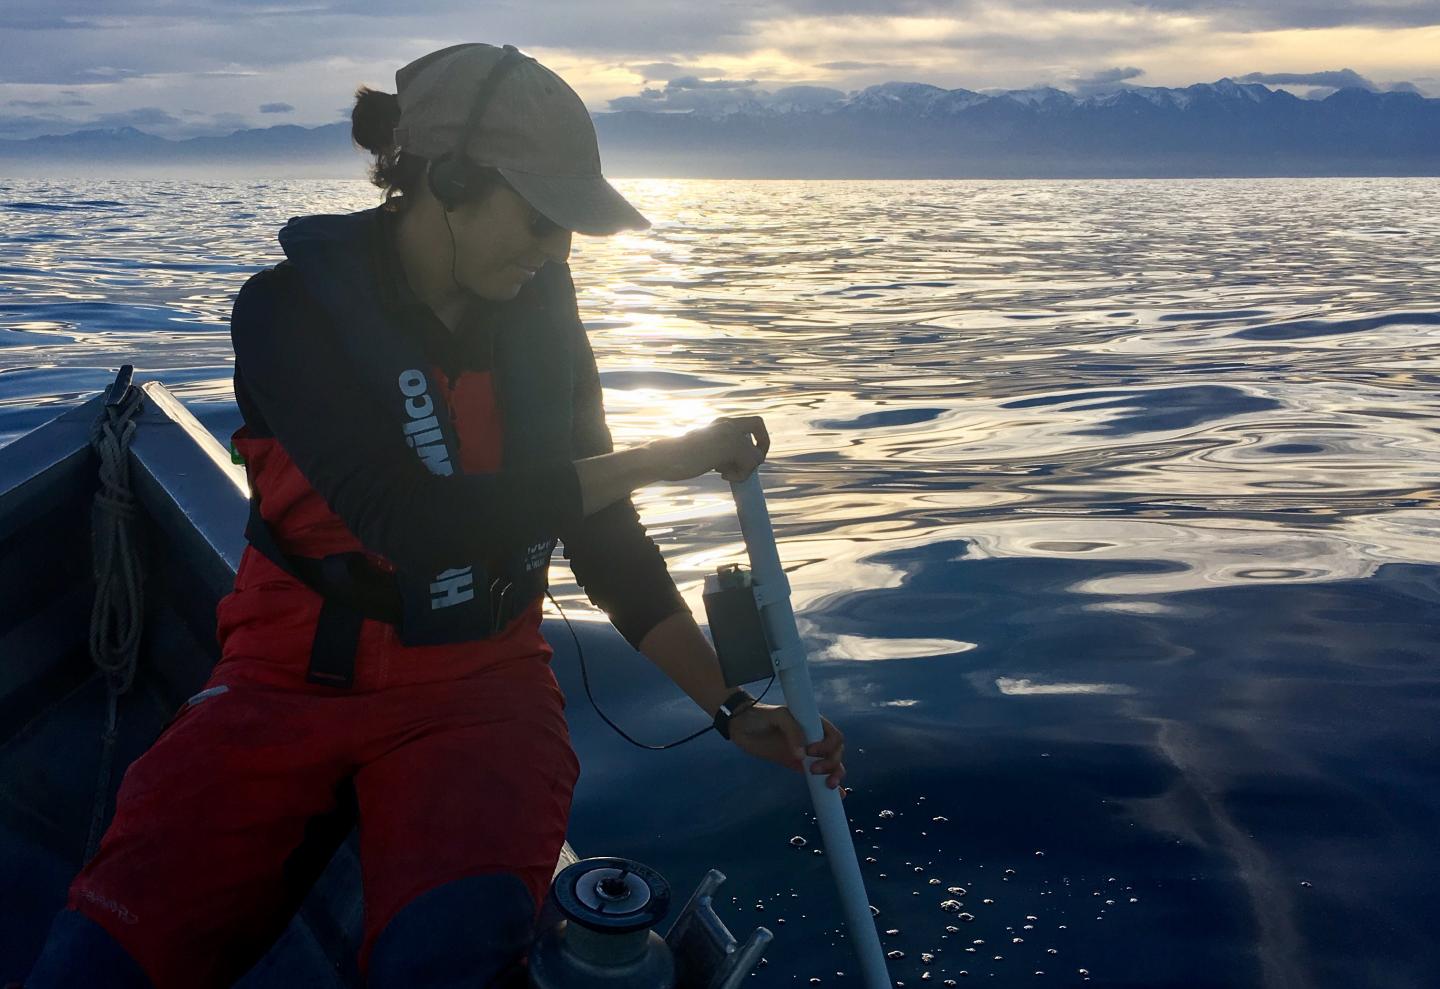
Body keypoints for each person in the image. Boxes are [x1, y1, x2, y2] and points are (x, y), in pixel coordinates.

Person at [23, 42, 846, 989]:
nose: (555, 253)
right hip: (284, 678)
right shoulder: (288, 312)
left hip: (481, 684)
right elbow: (407, 520)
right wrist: (671, 455)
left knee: (447, 964)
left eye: (568, 231)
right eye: (540, 219)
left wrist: (732, 706)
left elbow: (605, 539)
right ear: (448, 181)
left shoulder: (544, 314)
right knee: (100, 962)